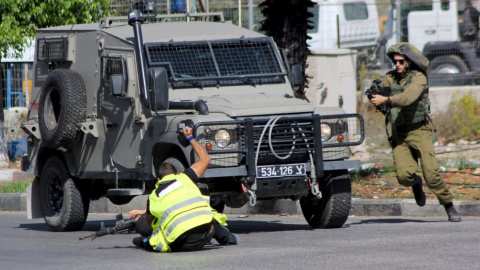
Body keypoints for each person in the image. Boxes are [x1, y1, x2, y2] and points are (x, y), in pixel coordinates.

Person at [369, 42, 461, 222]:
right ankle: (415, 183)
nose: (398, 65)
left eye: (401, 61)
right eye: (395, 61)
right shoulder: (391, 77)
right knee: (404, 177)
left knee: (432, 175)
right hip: (400, 133)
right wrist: (375, 92)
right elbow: (382, 86)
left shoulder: (419, 78)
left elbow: (407, 97)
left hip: (419, 130)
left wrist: (386, 98)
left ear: (409, 61)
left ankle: (448, 205)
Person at [128, 124, 239, 252]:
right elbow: (205, 159)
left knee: (155, 239)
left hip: (181, 244)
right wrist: (190, 138)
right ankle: (229, 238)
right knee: (209, 219)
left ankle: (142, 241)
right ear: (176, 174)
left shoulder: (154, 195)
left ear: (159, 179)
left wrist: (145, 213)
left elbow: (151, 221)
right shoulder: (185, 178)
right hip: (206, 234)